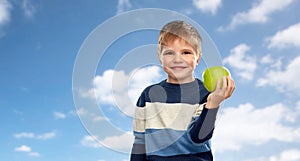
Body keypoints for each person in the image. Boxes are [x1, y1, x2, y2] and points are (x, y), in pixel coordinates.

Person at [130, 20, 235, 161]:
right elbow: (140, 143)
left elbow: (198, 138)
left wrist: (213, 104)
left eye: (186, 52)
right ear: (160, 58)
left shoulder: (206, 93)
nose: (178, 59)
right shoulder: (148, 95)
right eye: (169, 53)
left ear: (197, 58)